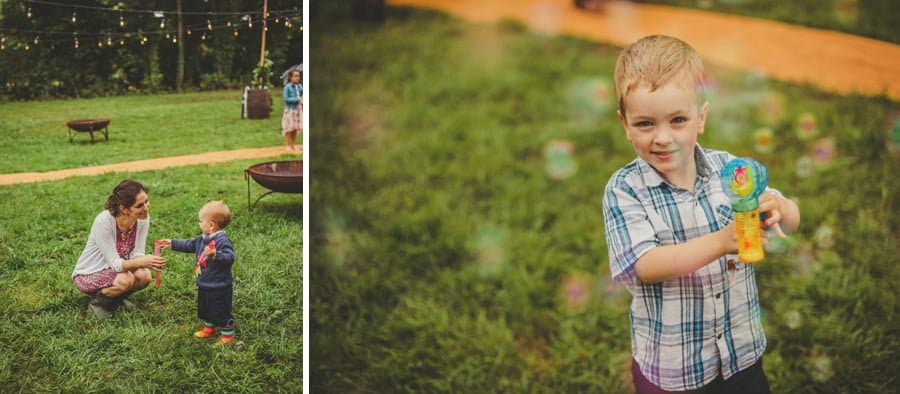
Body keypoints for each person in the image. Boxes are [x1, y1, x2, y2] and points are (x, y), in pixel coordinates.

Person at [602, 35, 800, 393]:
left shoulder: (731, 171)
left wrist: (780, 209)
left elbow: (792, 218)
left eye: (678, 119)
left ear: (701, 118)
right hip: (674, 371)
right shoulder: (624, 190)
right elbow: (644, 265)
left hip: (741, 355)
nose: (663, 137)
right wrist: (722, 241)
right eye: (645, 124)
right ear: (625, 124)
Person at [72, 179, 166, 318]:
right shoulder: (104, 221)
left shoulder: (142, 217)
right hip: (89, 273)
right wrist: (142, 262)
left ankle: (116, 299)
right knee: (125, 279)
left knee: (144, 275)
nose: (146, 208)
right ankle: (98, 304)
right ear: (123, 208)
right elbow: (116, 265)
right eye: (139, 205)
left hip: (117, 270)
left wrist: (149, 261)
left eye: (146, 201)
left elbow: (137, 252)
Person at [158, 201, 236, 345]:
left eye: (201, 221)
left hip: (219, 286)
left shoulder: (222, 241)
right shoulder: (202, 239)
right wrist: (172, 243)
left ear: (211, 225)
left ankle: (228, 334)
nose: (199, 223)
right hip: (205, 283)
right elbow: (189, 244)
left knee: (220, 310)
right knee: (205, 307)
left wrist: (216, 255)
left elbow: (230, 257)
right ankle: (209, 328)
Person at [282, 69, 302, 152]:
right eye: (295, 76)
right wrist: (298, 99)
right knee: (288, 128)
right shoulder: (287, 87)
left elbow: (302, 95)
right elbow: (286, 99)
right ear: (291, 77)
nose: (297, 78)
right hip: (290, 110)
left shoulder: (300, 86)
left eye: (298, 76)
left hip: (297, 110)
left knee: (295, 128)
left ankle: (293, 145)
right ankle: (287, 145)